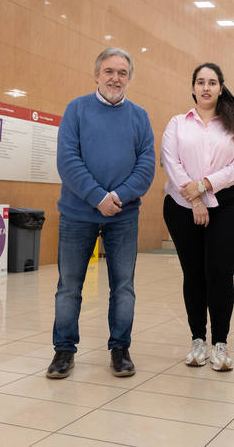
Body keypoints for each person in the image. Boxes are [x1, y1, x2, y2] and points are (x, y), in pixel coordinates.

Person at [47, 47, 155, 379]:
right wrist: (97, 197)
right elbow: (67, 160)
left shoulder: (140, 116)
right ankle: (64, 351)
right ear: (97, 75)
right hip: (78, 214)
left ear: (130, 78)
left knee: (123, 286)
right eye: (109, 71)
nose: (115, 78)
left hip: (123, 216)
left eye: (122, 73)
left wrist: (117, 197)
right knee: (69, 286)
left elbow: (146, 165)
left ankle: (120, 349)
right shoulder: (77, 109)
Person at [161, 63, 234, 371]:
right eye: (200, 82)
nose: (206, 87)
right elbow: (170, 161)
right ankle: (198, 340)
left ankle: (220, 344)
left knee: (220, 274)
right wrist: (196, 196)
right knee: (194, 273)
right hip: (181, 205)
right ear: (193, 87)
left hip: (227, 204)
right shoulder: (177, 123)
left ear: (221, 87)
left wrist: (205, 186)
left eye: (212, 82)